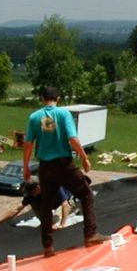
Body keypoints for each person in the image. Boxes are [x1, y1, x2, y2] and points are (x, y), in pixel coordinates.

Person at [23, 86, 108, 257]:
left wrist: (25, 166)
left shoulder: (34, 117)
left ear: (42, 99)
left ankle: (48, 247)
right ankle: (90, 234)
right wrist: (84, 157)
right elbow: (72, 138)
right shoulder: (63, 114)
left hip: (45, 166)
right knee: (86, 194)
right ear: (58, 98)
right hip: (64, 163)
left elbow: (28, 144)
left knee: (46, 205)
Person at [0, 180, 75, 230]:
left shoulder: (53, 186)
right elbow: (17, 209)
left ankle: (58, 221)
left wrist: (62, 225)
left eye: (32, 192)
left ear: (38, 187)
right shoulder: (31, 195)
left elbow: (65, 204)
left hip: (66, 201)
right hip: (48, 203)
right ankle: (45, 221)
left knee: (57, 222)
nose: (31, 194)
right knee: (46, 224)